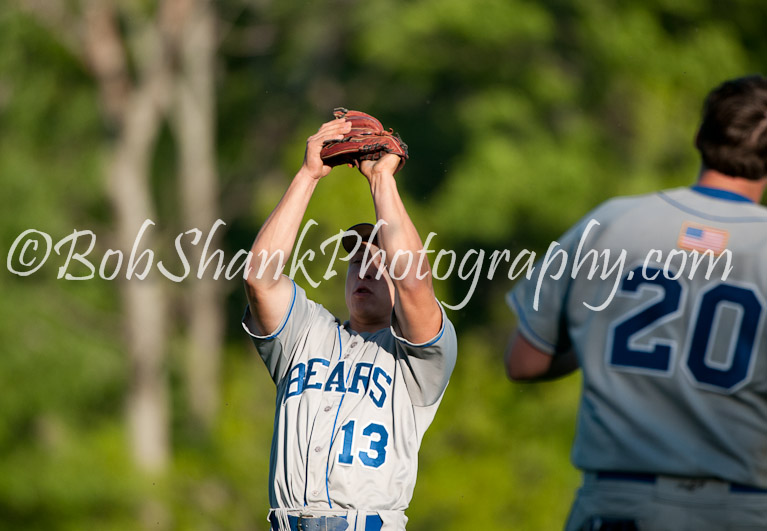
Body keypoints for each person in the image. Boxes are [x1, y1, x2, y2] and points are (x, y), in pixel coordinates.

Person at [505, 74, 767, 530]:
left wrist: (600, 340)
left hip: (618, 504)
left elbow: (524, 360)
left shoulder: (610, 220)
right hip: (738, 507)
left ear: (700, 137)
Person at [242, 116, 457, 531]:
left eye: (379, 262)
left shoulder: (419, 359)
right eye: (356, 260)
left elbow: (412, 281)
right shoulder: (306, 334)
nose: (365, 270)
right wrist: (308, 175)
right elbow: (259, 278)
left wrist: (381, 181)